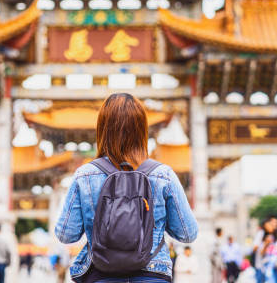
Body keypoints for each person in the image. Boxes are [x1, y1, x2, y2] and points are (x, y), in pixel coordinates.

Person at [55, 93, 198, 282]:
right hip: (152, 274)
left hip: (102, 274)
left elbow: (67, 234)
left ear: (103, 129)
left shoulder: (85, 175)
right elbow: (188, 233)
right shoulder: (163, 174)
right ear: (142, 130)